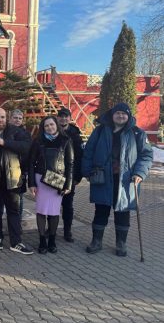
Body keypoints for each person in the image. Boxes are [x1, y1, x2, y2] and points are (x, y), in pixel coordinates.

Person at [82, 103, 152, 256]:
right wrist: (86, 171)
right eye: (117, 113)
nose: (121, 116)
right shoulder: (100, 131)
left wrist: (140, 173)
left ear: (129, 116)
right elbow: (89, 151)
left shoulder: (137, 133)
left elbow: (146, 155)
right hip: (103, 178)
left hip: (126, 180)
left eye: (124, 114)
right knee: (101, 210)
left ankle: (121, 243)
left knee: (123, 211)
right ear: (112, 115)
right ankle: (96, 241)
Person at [0, 107, 33, 255]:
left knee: (13, 213)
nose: (0, 120)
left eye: (2, 117)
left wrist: (5, 142)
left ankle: (16, 242)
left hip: (13, 181)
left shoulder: (16, 132)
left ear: (6, 118)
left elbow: (27, 147)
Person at [28, 116, 73, 254]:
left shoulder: (66, 141)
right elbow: (31, 163)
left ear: (56, 125)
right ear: (43, 128)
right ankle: (42, 240)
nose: (49, 127)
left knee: (54, 212)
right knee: (41, 211)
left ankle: (52, 240)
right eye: (46, 126)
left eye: (52, 124)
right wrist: (31, 183)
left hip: (57, 180)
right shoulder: (38, 141)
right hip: (40, 178)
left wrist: (68, 184)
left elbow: (70, 164)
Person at [57, 107, 84, 242]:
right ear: (57, 118)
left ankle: (67, 231)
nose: (63, 118)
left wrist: (78, 177)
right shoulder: (52, 130)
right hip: (54, 175)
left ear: (70, 118)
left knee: (67, 205)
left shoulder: (75, 135)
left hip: (69, 176)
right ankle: (51, 228)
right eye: (61, 116)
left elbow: (80, 157)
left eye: (66, 116)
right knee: (53, 203)